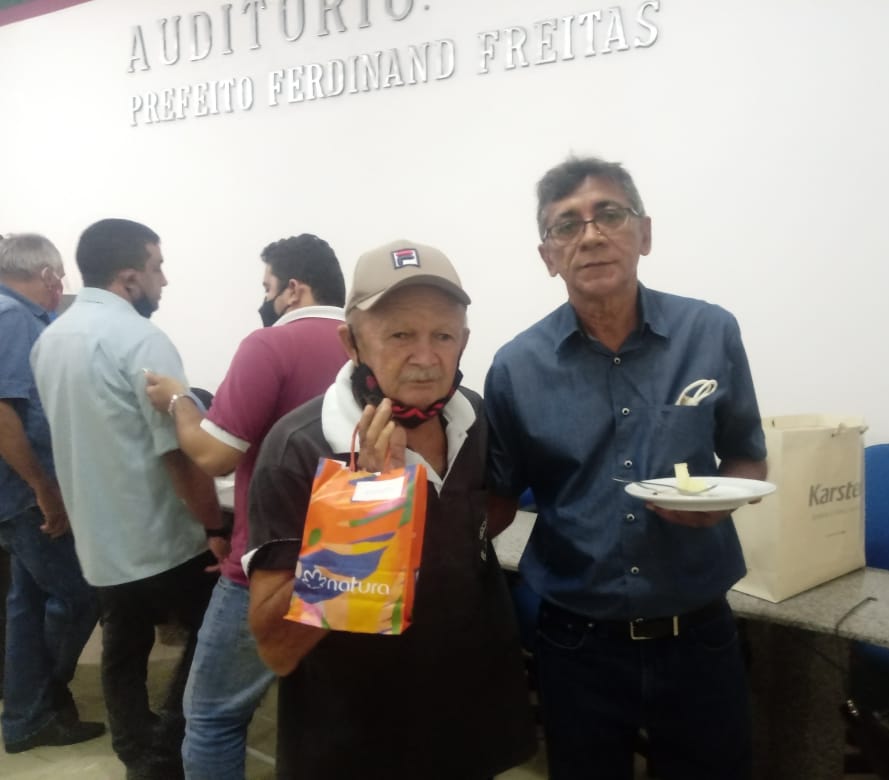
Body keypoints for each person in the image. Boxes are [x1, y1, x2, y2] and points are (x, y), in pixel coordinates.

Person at [483, 157, 768, 780]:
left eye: (609, 214)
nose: (590, 235)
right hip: (575, 643)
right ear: (548, 256)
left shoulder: (710, 332)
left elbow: (747, 453)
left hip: (699, 632)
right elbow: (496, 500)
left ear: (644, 233)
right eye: (566, 225)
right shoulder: (515, 367)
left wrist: (726, 498)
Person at [246, 239, 536, 779]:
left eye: (442, 335)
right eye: (400, 335)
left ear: (463, 341)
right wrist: (366, 518)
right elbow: (276, 650)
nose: (425, 358)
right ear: (352, 342)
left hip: (471, 718)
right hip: (356, 738)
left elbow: (482, 520)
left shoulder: (474, 417)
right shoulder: (299, 447)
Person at [143, 233, 348, 779]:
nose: (265, 298)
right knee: (331, 712)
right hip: (350, 562)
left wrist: (179, 401)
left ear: (293, 289)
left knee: (211, 715)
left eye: (267, 286)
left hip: (269, 565)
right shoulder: (367, 344)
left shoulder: (269, 345)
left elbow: (213, 456)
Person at [31, 218, 228, 779]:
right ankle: (174, 745)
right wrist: (214, 526)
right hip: (161, 535)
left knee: (123, 647)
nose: (163, 280)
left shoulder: (49, 341)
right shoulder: (142, 340)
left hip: (99, 536)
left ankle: (139, 755)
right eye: (156, 267)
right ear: (128, 277)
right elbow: (178, 453)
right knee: (212, 638)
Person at [0, 233, 104, 753]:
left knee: (27, 604)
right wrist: (43, 488)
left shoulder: (17, 316)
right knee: (81, 594)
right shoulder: (13, 317)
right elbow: (4, 412)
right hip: (27, 494)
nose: (60, 287)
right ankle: (42, 699)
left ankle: (25, 716)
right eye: (59, 277)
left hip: (18, 494)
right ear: (47, 276)